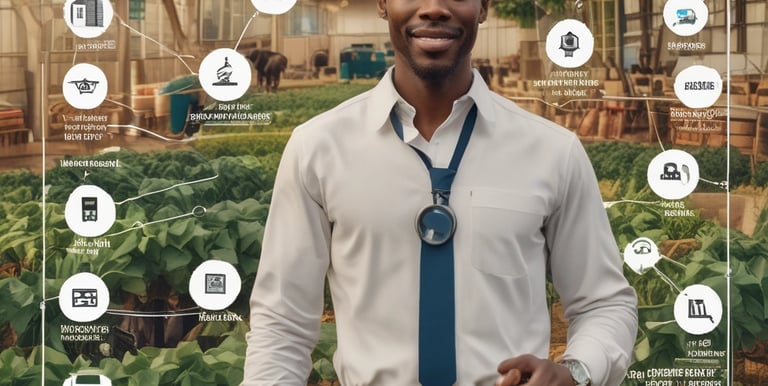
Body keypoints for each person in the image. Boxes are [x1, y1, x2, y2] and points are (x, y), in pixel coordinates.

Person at [244, 0, 638, 385]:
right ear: (382, 4)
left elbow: (603, 302)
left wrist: (577, 372)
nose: (433, 7)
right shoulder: (317, 149)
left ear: (484, 7)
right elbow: (281, 324)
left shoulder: (553, 152)